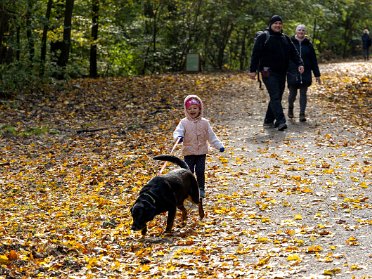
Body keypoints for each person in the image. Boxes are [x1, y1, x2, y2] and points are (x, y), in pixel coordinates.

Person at [248, 15, 304, 131]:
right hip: (267, 71)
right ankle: (281, 121)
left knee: (277, 96)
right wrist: (252, 70)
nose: (278, 25)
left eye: (279, 23)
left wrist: (300, 63)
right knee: (274, 95)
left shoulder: (285, 38)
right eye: (275, 23)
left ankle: (268, 121)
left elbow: (293, 52)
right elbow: (255, 54)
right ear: (271, 24)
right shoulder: (264, 36)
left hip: (281, 72)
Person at [173, 95, 225, 199]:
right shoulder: (183, 122)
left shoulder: (205, 123)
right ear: (186, 110)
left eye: (195, 108)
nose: (192, 110)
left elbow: (211, 136)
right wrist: (178, 137)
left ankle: (201, 188)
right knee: (188, 173)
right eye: (189, 108)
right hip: (188, 152)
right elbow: (178, 131)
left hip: (201, 152)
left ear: (200, 108)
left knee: (200, 171)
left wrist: (219, 145)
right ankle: (188, 190)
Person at [287, 24, 321, 122]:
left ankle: (302, 114)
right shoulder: (290, 43)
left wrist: (317, 75)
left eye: (303, 30)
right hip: (292, 72)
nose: (301, 31)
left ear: (305, 32)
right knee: (292, 94)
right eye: (299, 30)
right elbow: (285, 58)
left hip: (306, 72)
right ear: (296, 31)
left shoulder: (309, 45)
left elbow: (314, 61)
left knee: (303, 94)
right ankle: (290, 108)